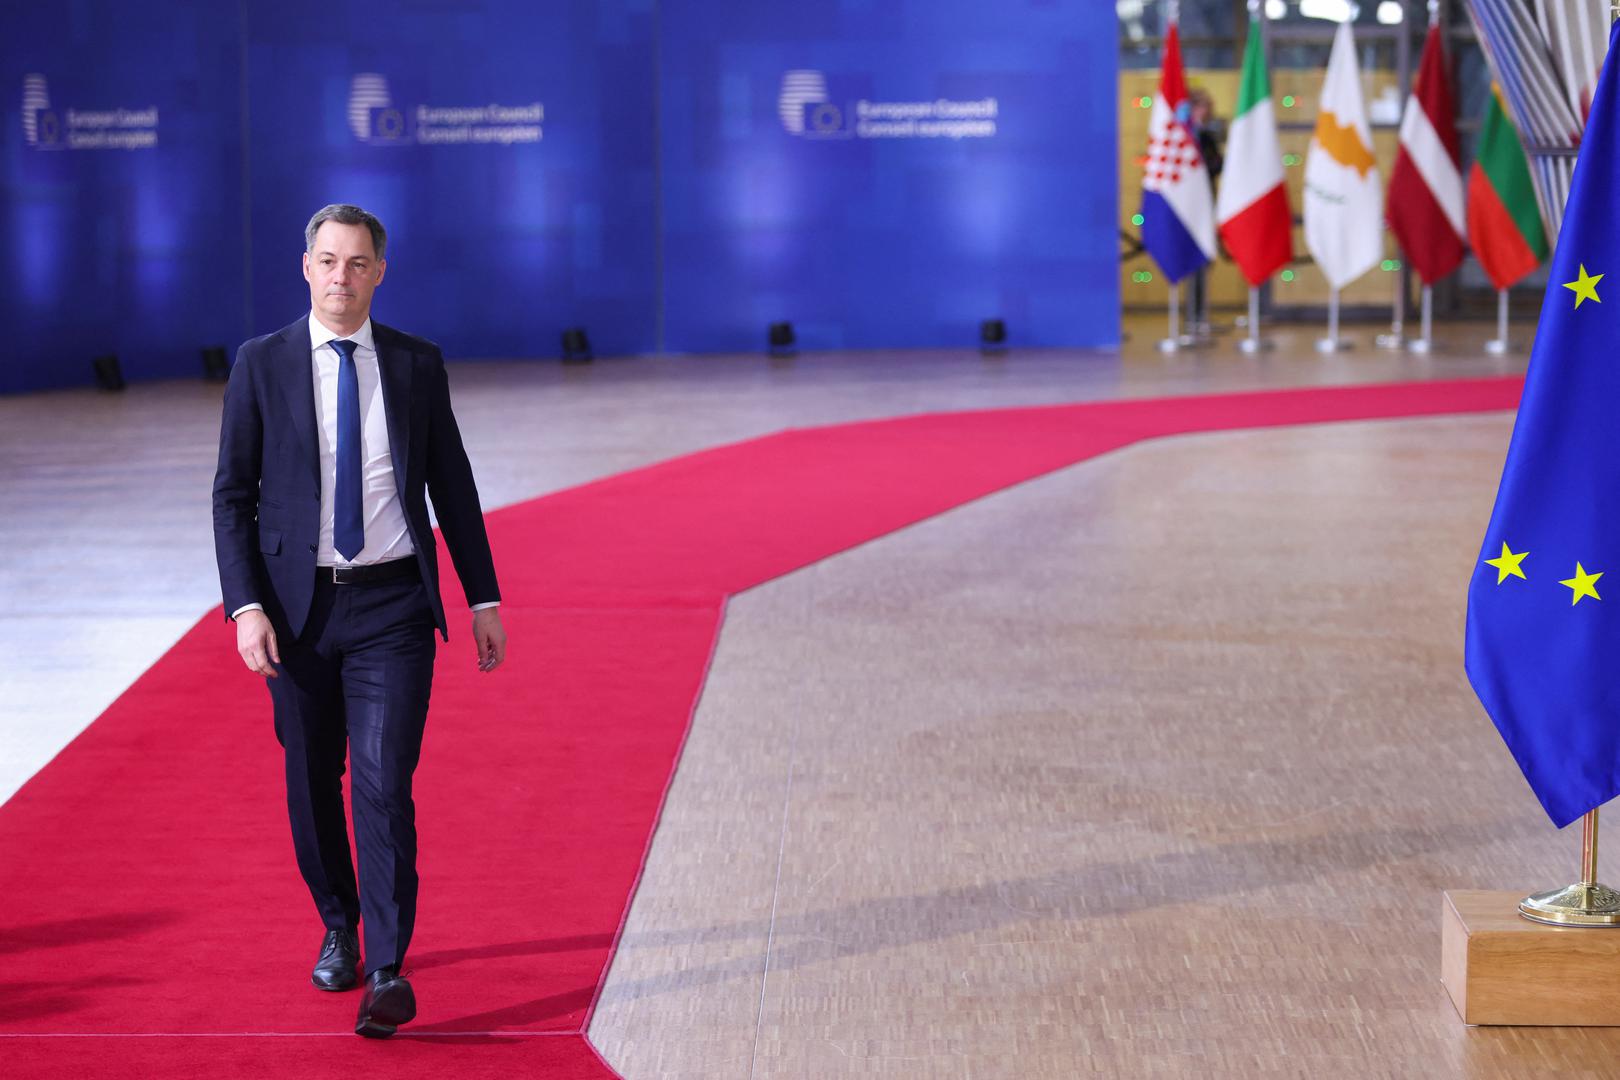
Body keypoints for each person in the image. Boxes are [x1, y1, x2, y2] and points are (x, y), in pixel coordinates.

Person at [212, 204, 507, 1038]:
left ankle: (385, 967)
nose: (342, 278)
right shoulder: (260, 364)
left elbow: (453, 486)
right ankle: (337, 921)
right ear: (305, 267)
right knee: (312, 781)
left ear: (381, 273)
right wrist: (245, 607)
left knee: (383, 783)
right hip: (296, 611)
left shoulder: (417, 364)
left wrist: (482, 598)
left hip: (393, 607)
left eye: (359, 263)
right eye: (328, 261)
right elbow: (232, 497)